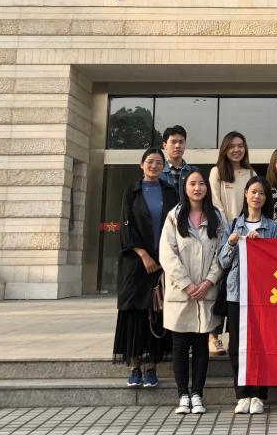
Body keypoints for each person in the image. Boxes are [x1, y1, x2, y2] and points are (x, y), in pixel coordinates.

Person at [217, 176, 277, 415]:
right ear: (245, 193)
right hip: (237, 294)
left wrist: (263, 246)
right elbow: (222, 262)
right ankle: (242, 393)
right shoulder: (232, 225)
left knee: (262, 344)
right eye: (253, 191)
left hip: (264, 296)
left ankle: (258, 394)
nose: (257, 196)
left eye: (261, 193)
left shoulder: (274, 228)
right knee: (237, 345)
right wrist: (231, 243)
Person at [159, 169, 224, 415]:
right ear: (185, 188)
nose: (197, 188)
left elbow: (221, 255)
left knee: (200, 346)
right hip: (181, 294)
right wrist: (187, 284)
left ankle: (197, 393)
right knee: (179, 346)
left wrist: (208, 282)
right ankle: (182, 395)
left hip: (206, 293)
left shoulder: (216, 216)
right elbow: (167, 254)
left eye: (201, 184)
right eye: (192, 184)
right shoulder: (174, 216)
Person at [113, 148, 178, 389]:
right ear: (141, 165)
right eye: (150, 162)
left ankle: (151, 367)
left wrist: (166, 257)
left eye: (159, 162)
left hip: (162, 262)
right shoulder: (131, 191)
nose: (154, 166)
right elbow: (126, 225)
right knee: (134, 312)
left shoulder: (170, 191)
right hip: (135, 262)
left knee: (157, 311)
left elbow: (176, 225)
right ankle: (134, 366)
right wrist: (143, 254)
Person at [208, 130, 256, 356]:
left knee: (239, 290)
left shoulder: (251, 173)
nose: (237, 150)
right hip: (224, 237)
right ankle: (213, 336)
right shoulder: (217, 172)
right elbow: (216, 205)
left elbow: (255, 201)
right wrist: (231, 232)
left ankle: (236, 337)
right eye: (232, 146)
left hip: (247, 239)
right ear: (225, 149)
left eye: (240, 145)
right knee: (219, 286)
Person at [159, 125, 197, 198]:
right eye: (173, 142)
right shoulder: (158, 172)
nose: (177, 146)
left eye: (181, 142)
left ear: (185, 144)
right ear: (164, 145)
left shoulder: (194, 172)